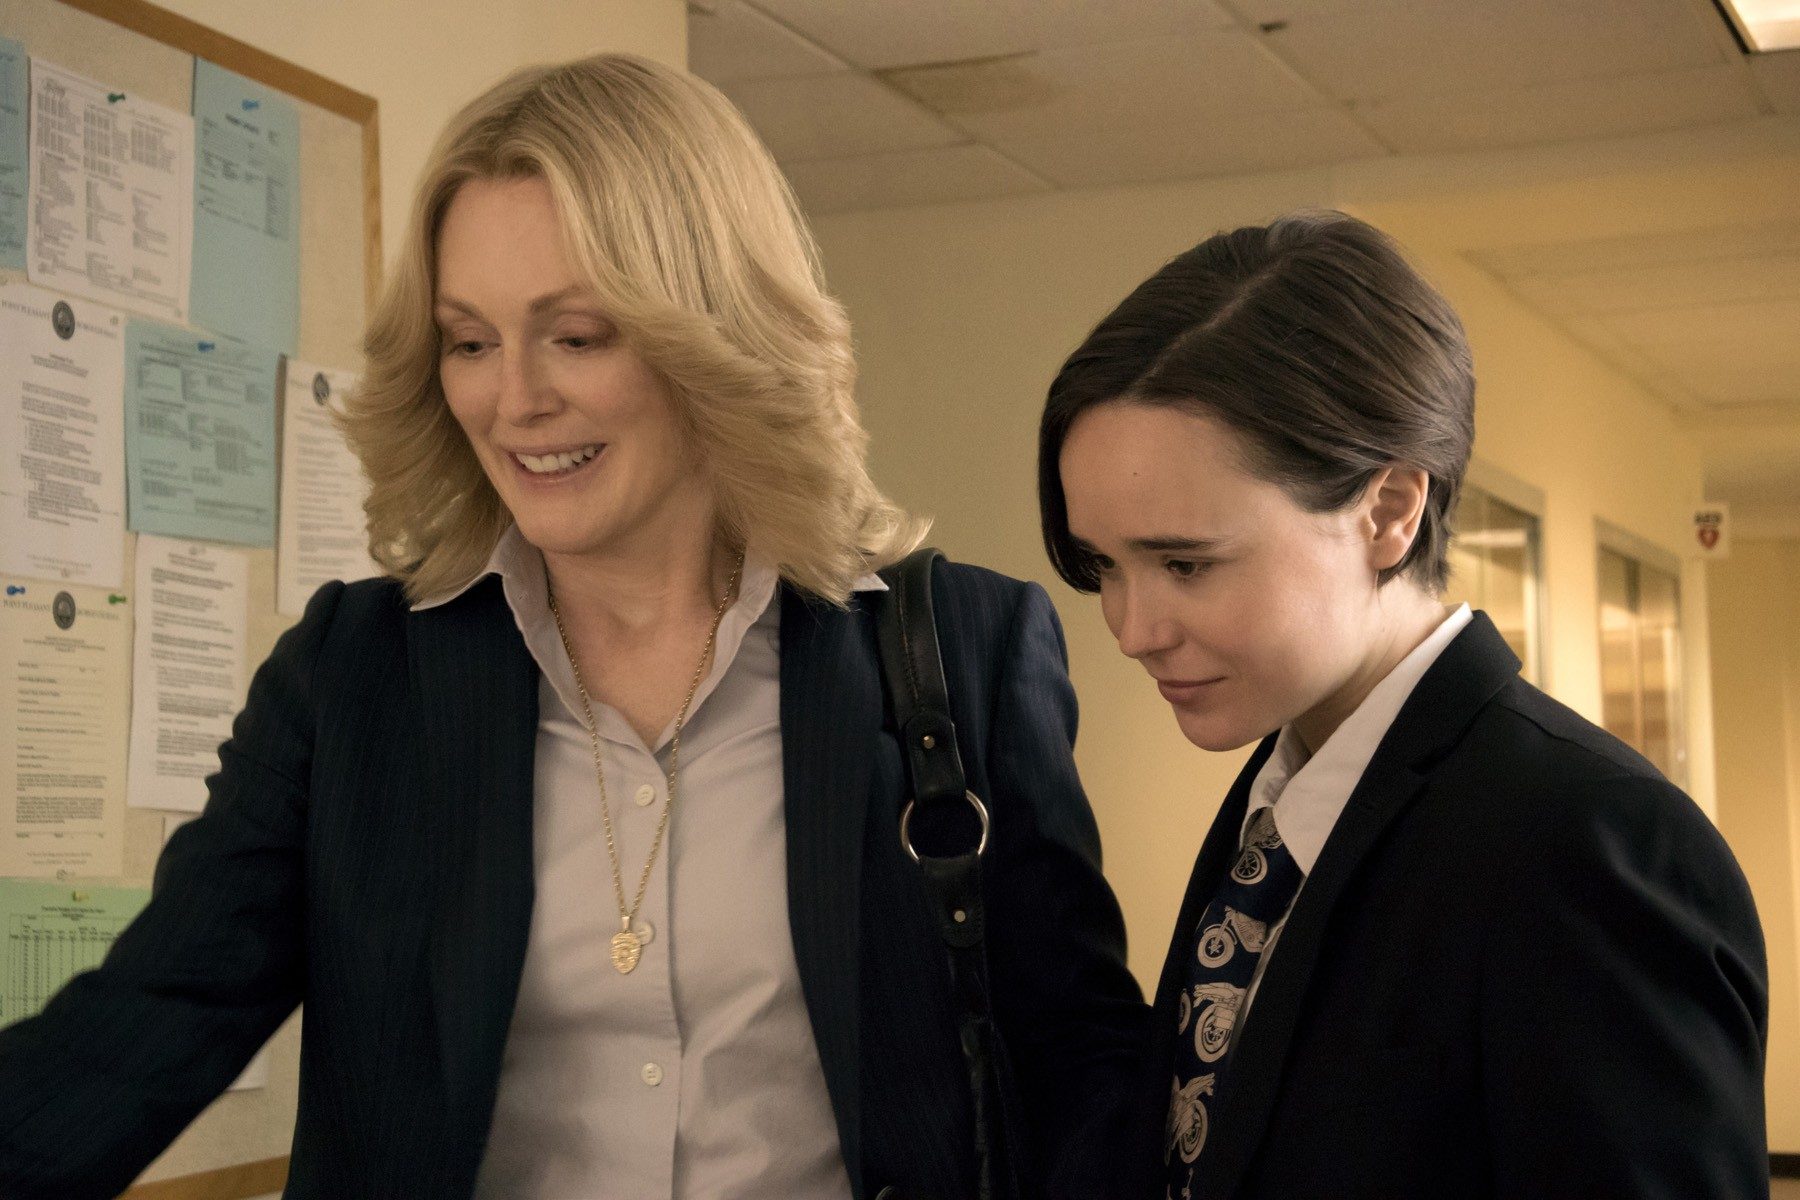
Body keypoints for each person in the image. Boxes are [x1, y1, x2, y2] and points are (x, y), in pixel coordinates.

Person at [0, 54, 1147, 1200]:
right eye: (470, 341)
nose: (515, 400)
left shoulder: (960, 650)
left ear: (715, 331)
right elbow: (144, 1026)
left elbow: (1081, 1069)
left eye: (579, 335)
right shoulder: (349, 678)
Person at [1039, 210, 1769, 1200]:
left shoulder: (1588, 842)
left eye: (1185, 564)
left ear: (1387, 510)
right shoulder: (1282, 800)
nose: (1131, 629)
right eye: (1104, 567)